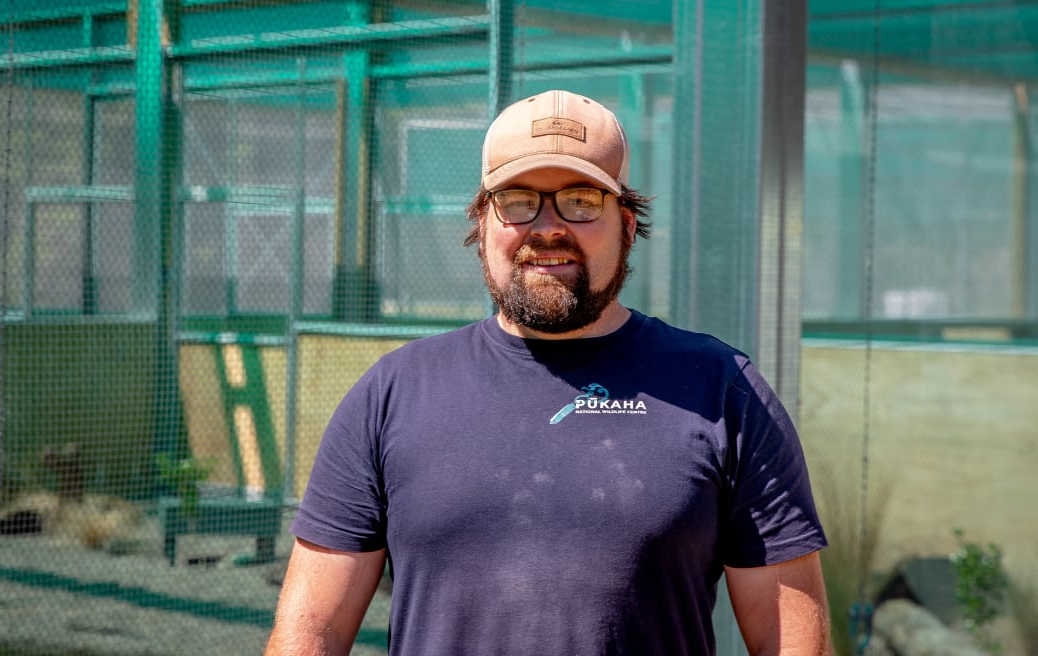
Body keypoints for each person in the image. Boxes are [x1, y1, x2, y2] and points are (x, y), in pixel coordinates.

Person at [265, 89, 831, 656]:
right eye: (518, 200)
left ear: (626, 223)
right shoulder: (392, 394)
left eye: (580, 200)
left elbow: (790, 639)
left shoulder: (721, 389)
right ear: (482, 221)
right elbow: (311, 632)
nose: (548, 227)